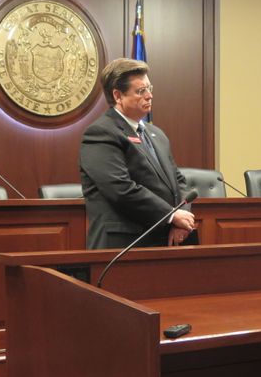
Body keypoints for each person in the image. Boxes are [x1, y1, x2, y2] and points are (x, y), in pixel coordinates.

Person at [80, 58, 195, 248]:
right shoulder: (101, 133)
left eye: (150, 88)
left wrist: (182, 220)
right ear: (118, 96)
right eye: (141, 91)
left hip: (165, 239)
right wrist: (172, 215)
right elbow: (121, 189)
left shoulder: (157, 134)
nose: (149, 96)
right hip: (124, 245)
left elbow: (179, 182)